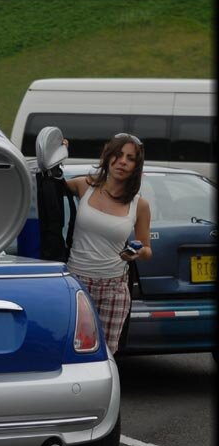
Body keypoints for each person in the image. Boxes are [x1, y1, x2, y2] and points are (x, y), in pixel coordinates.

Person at [64, 133, 152, 355]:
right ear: (107, 156)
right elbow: (46, 184)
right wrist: (58, 153)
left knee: (105, 355)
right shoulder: (85, 186)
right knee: (72, 350)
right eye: (118, 155)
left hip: (114, 289)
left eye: (130, 158)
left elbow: (147, 249)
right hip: (76, 284)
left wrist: (137, 253)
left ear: (136, 166)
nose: (123, 161)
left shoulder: (139, 205)